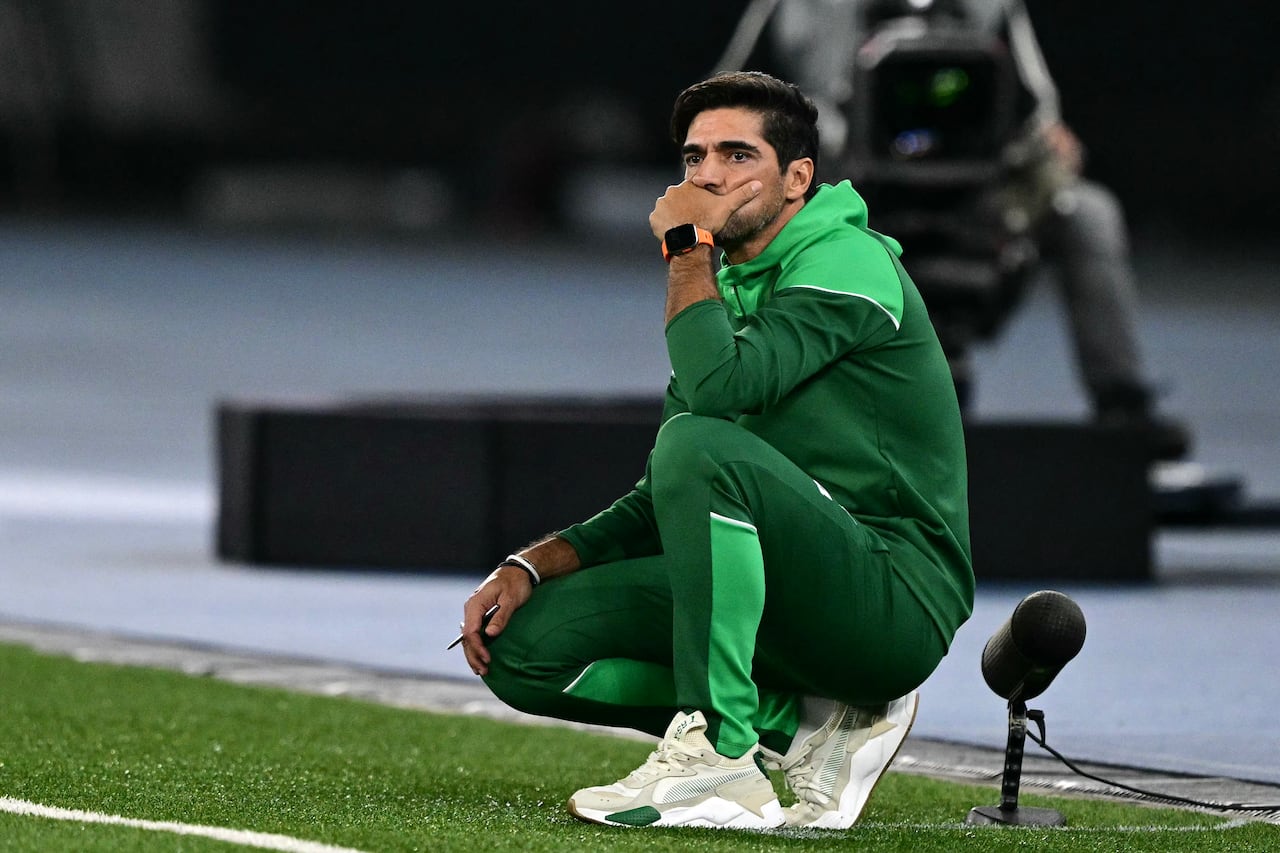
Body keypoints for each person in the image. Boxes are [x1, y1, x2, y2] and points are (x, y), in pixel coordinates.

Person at [456, 71, 973, 831]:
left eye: (737, 156)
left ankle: (721, 755)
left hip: (892, 602)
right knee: (525, 647)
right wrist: (535, 562)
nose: (708, 177)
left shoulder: (847, 261)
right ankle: (807, 722)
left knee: (697, 440)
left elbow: (716, 401)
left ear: (798, 178)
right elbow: (670, 484)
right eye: (695, 159)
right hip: (789, 588)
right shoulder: (724, 289)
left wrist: (685, 248)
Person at [769, 0, 1191, 458]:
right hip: (852, 194)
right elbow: (733, 103)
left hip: (978, 198)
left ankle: (1122, 404)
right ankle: (716, 388)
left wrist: (1047, 149)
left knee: (1086, 213)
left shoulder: (994, 5)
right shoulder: (805, 7)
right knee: (730, 201)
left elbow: (1037, 112)